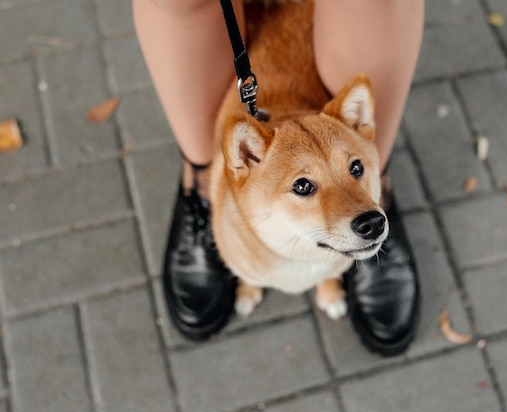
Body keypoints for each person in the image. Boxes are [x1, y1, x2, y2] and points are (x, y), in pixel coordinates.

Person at [133, 0, 425, 356]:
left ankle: (354, 234)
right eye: (304, 186)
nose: (361, 211)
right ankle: (202, 181)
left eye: (355, 169)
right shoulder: (252, 154)